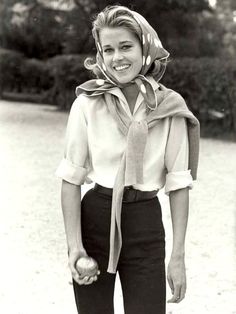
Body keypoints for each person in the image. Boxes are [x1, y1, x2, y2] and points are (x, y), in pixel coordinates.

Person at [56, 5, 200, 314]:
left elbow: (178, 185)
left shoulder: (170, 107)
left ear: (144, 46)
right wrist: (75, 247)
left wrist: (177, 256)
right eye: (108, 49)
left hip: (146, 222)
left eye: (126, 46)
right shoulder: (86, 104)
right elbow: (70, 179)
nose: (117, 57)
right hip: (95, 219)